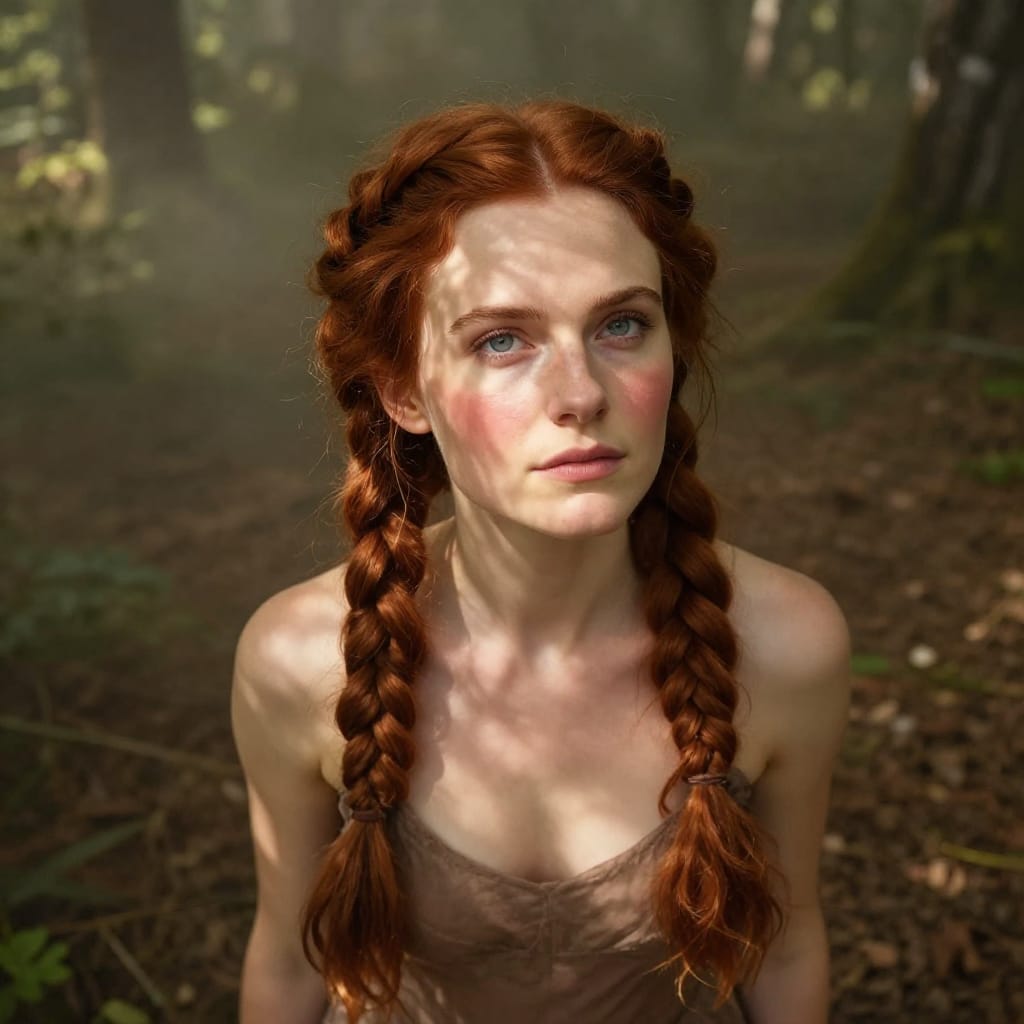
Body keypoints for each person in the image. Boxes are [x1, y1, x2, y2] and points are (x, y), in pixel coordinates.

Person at [230, 97, 851, 1024]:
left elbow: (788, 943)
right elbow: (289, 962)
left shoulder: (783, 642)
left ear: (672, 351)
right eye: (502, 340)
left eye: (621, 325)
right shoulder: (300, 660)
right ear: (403, 387)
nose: (580, 394)